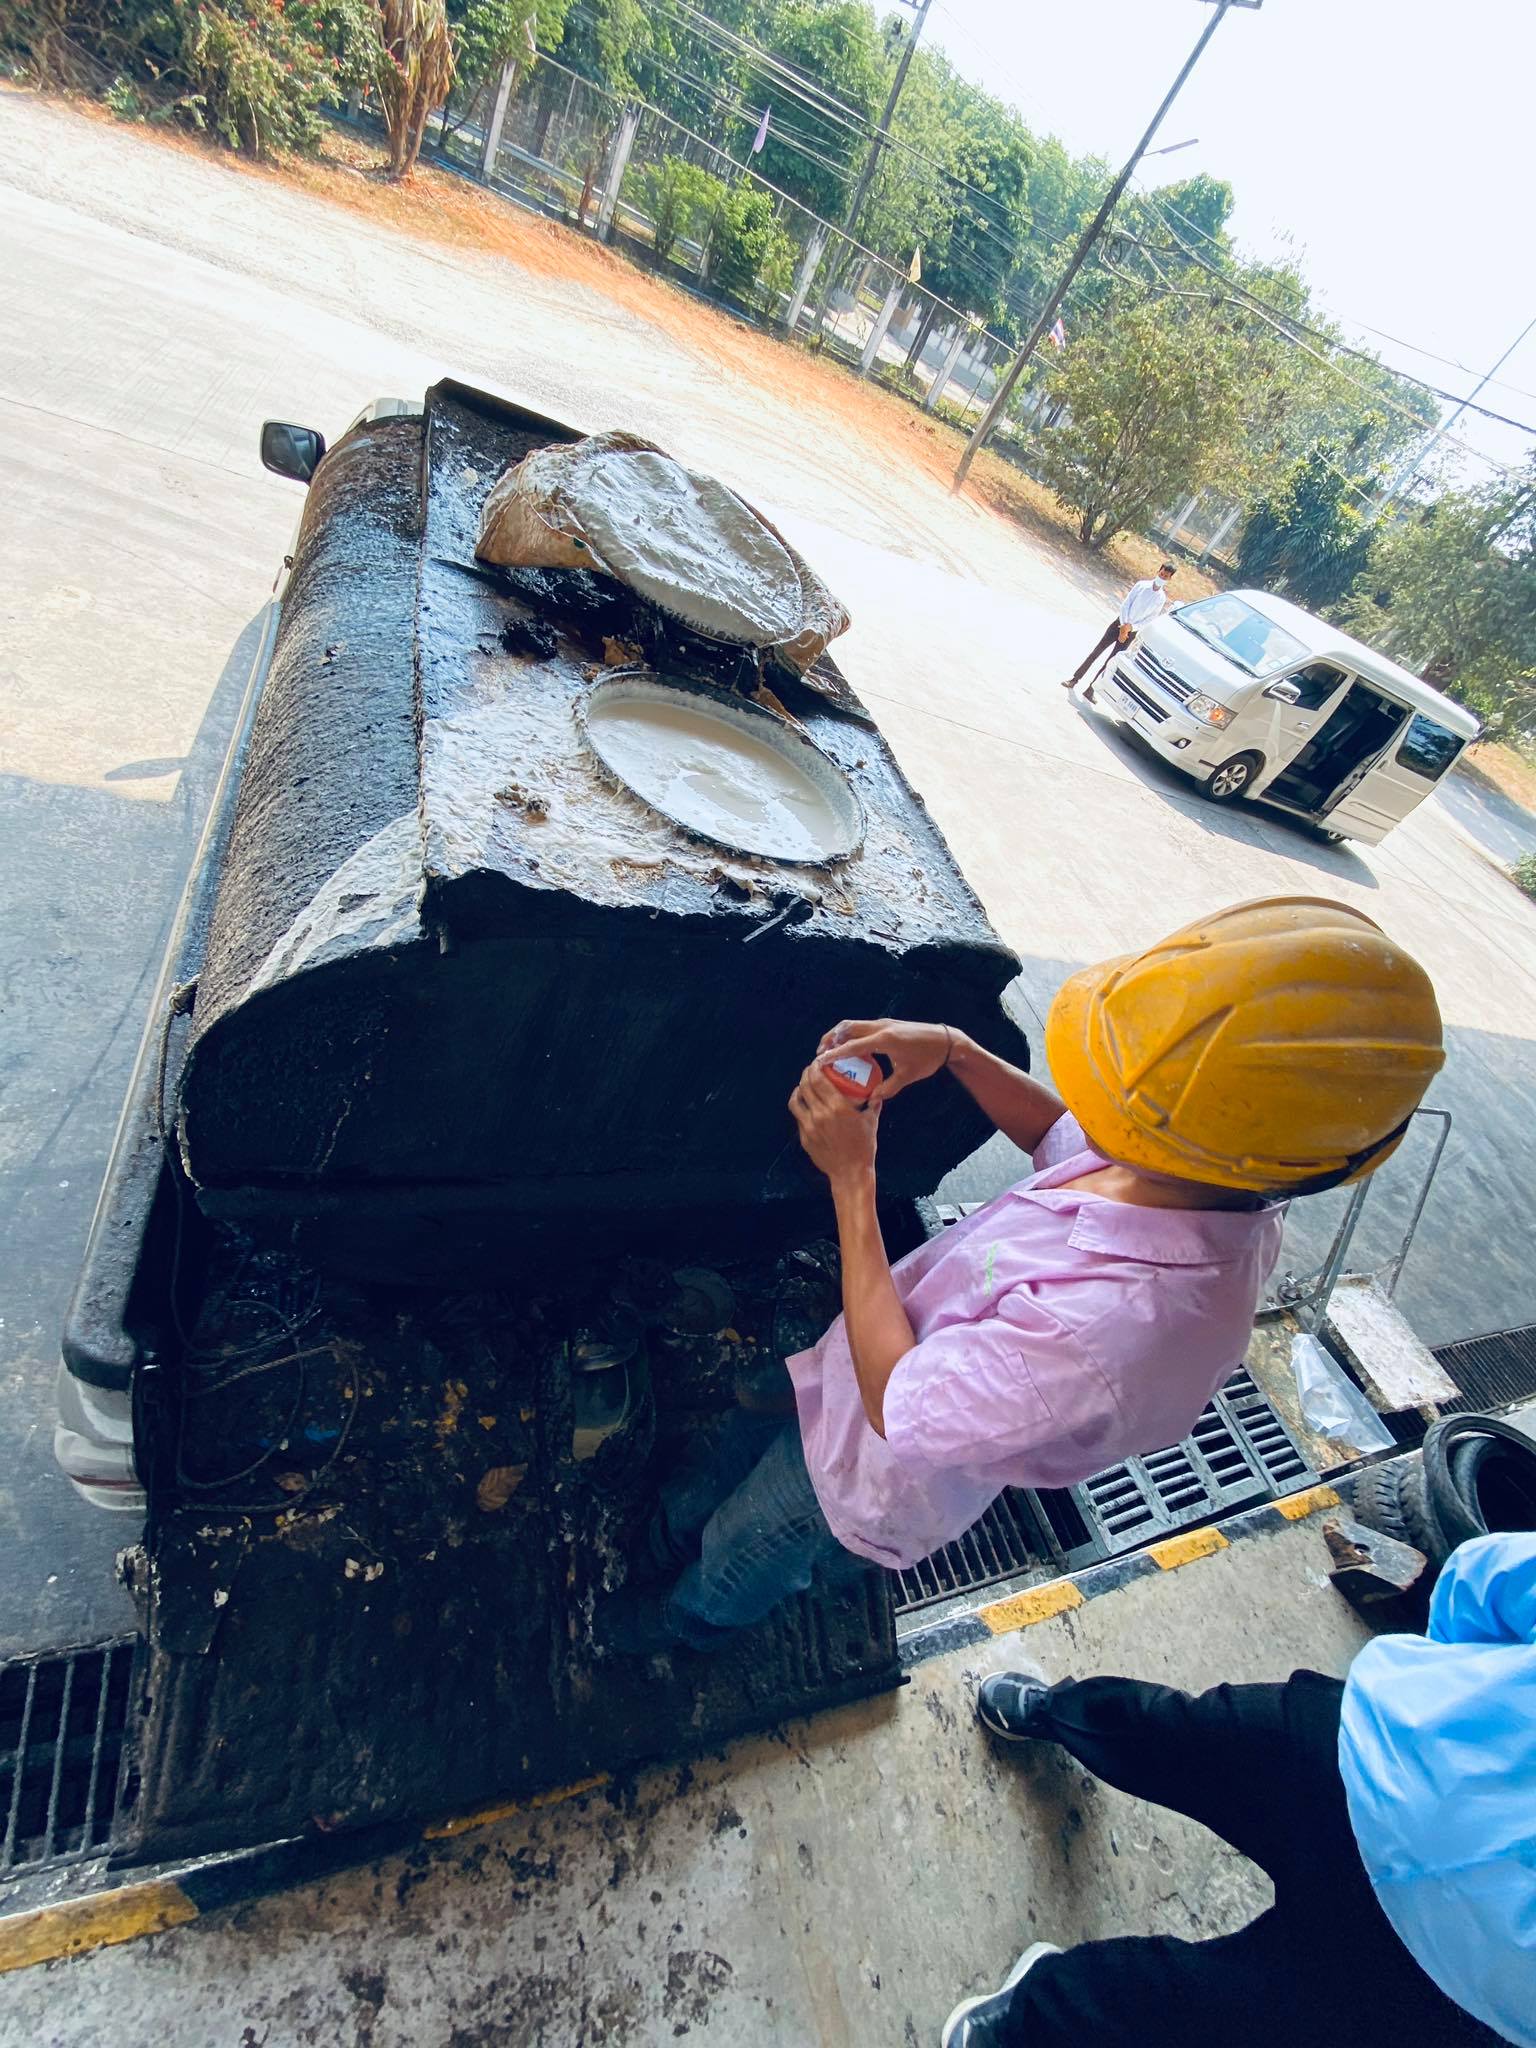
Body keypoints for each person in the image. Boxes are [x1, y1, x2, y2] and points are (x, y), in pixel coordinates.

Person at [599, 898, 1445, 1656]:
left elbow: (901, 1407)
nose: (1103, 1121)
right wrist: (955, 1051)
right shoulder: (1204, 1173)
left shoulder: (1120, 1332)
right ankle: (665, 1530)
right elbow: (1062, 1137)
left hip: (864, 1476)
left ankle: (672, 1624)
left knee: (742, 1556)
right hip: (846, 1370)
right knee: (719, 1467)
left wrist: (853, 1182)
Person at [947, 1529, 1536, 2048]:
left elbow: (1486, 1582)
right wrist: (1452, 1699)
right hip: (1384, 1748)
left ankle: (1025, 2023)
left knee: (1208, 2010)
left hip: (1457, 1983)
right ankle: (1059, 1712)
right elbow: (1500, 1579)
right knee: (1179, 1734)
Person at [1062, 562, 1175, 702]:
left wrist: (1130, 628)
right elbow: (1126, 604)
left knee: (1111, 661)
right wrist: (1123, 625)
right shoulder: (1141, 585)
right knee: (1096, 652)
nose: (1162, 577)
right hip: (1119, 624)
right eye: (1161, 574)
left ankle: (1091, 689)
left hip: (1131, 632)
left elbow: (1149, 619)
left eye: (1165, 576)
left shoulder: (1161, 598)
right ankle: (1074, 679)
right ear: (1158, 571)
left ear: (1169, 579)